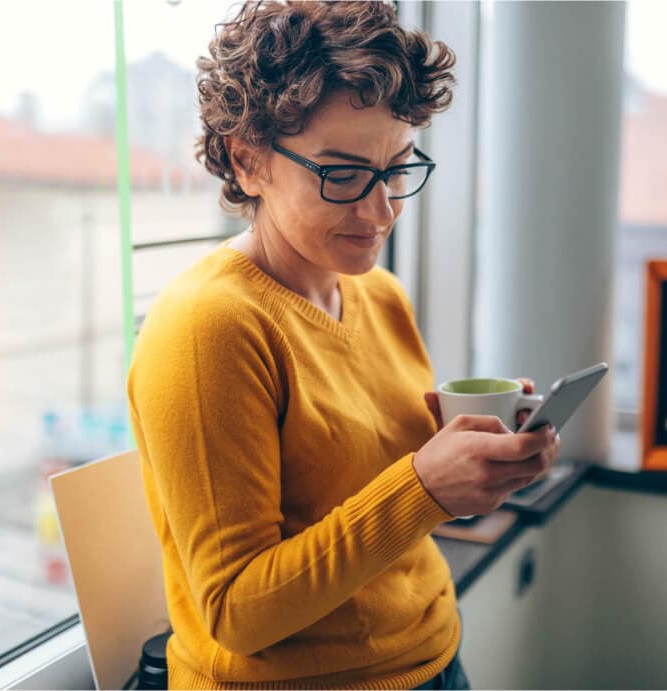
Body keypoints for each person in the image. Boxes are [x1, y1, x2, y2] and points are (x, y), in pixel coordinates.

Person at [127, 2, 561, 689]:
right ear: (248, 161)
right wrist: (423, 486)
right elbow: (236, 612)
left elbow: (378, 491)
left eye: (395, 167)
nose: (381, 208)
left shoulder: (378, 295)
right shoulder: (208, 327)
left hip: (435, 656)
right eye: (342, 174)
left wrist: (478, 459)